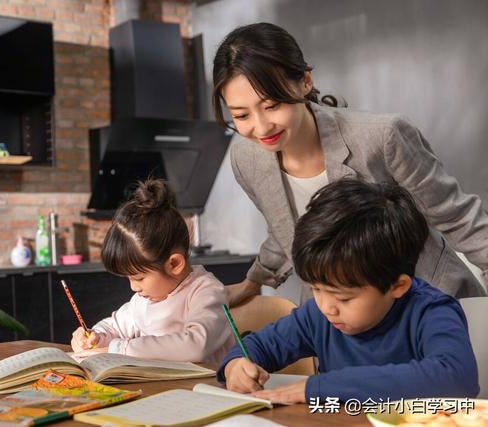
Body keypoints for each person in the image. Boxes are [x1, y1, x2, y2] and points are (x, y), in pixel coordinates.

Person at [212, 22, 488, 306]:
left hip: (425, 301)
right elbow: (286, 229)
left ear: (305, 81)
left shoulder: (382, 137)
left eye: (272, 105)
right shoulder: (247, 159)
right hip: (338, 313)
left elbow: (458, 217)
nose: (261, 127)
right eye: (241, 115)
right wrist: (252, 283)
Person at [218, 179, 479, 403]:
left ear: (397, 286)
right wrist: (236, 364)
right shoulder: (319, 316)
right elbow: (258, 345)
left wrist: (323, 387)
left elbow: (456, 377)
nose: (327, 307)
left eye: (343, 298)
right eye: (316, 288)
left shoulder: (431, 312)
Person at [70, 179, 234, 364]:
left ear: (174, 264)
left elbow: (196, 345)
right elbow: (114, 326)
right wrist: (95, 337)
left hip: (209, 380)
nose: (133, 287)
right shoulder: (143, 301)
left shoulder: (206, 291)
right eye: (129, 278)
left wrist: (121, 349)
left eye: (139, 278)